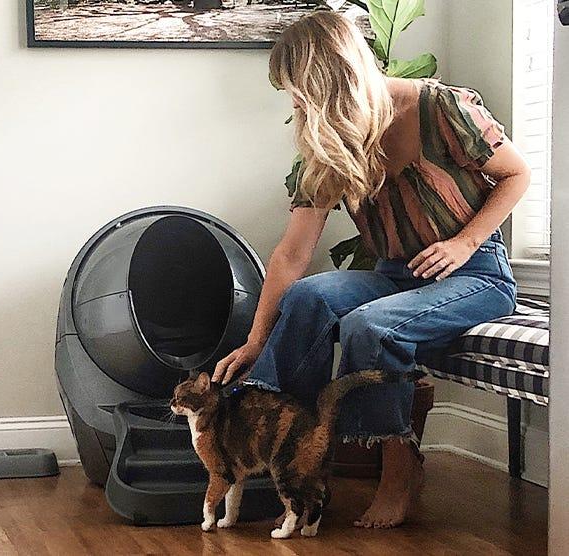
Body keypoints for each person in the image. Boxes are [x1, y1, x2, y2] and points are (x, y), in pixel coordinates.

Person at [211, 10, 529, 529]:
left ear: (329, 80)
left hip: (476, 274)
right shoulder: (333, 142)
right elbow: (292, 255)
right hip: (394, 272)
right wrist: (256, 341)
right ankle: (283, 452)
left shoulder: (438, 106)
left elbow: (517, 173)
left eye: (300, 91)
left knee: (370, 325)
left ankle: (399, 470)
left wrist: (465, 241)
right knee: (310, 296)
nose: (295, 105)